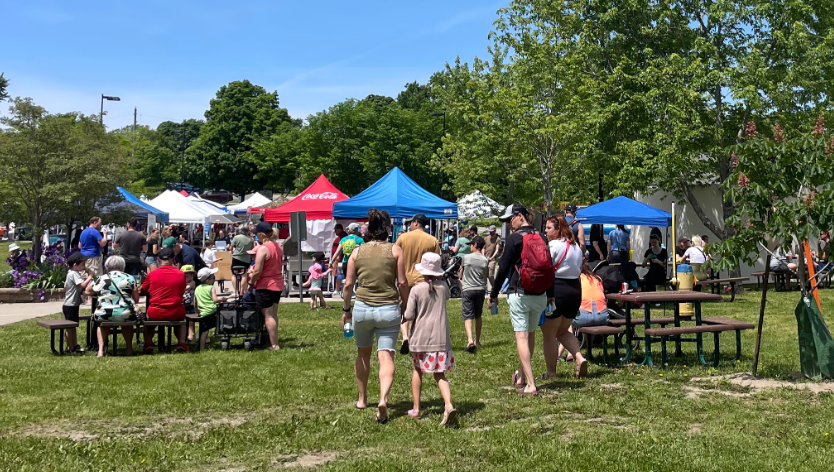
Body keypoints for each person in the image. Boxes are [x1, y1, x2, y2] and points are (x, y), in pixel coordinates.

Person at [341, 209, 409, 423]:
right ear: (388, 229)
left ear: (369, 229)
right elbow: (402, 282)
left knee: (363, 354)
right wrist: (406, 305)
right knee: (386, 356)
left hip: (362, 308)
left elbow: (348, 284)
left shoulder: (357, 252)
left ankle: (362, 399)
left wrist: (346, 310)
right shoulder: (395, 250)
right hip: (388, 309)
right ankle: (383, 399)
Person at [488, 204, 554, 396]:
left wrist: (493, 293)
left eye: (510, 219)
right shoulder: (542, 237)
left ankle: (531, 384)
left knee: (522, 337)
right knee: (530, 335)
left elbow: (503, 268)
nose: (509, 224)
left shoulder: (514, 238)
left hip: (520, 292)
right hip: (540, 294)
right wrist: (550, 293)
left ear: (519, 216)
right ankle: (522, 377)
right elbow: (549, 266)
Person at [403, 252, 457, 426]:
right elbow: (444, 294)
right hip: (441, 338)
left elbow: (409, 314)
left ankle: (416, 408)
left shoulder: (416, 289)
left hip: (420, 338)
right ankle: (448, 405)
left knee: (417, 370)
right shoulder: (444, 288)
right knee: (439, 374)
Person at [542, 216, 588, 379]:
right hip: (575, 290)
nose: (546, 231)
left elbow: (546, 268)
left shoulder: (552, 246)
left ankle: (551, 373)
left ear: (558, 229)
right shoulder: (576, 247)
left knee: (549, 333)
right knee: (562, 331)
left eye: (549, 228)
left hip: (557, 289)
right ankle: (579, 357)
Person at [395, 213, 441, 353]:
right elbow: (437, 262)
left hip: (405, 280)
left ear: (415, 223)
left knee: (404, 309)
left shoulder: (403, 238)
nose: (409, 225)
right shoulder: (432, 240)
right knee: (421, 312)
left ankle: (405, 336)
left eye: (410, 223)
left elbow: (394, 257)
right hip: (423, 281)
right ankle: (418, 338)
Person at [86, 255, 139, 357]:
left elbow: (88, 291)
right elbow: (136, 299)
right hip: (125, 313)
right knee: (127, 324)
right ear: (123, 266)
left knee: (102, 324)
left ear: (107, 266)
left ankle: (101, 350)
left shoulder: (102, 278)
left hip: (104, 313)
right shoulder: (130, 278)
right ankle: (129, 349)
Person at [140, 248, 188, 354]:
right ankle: (181, 342)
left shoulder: (152, 274)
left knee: (148, 323)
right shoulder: (181, 274)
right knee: (181, 323)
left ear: (158, 259)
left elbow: (142, 290)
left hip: (155, 311)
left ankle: (148, 343)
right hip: (176, 311)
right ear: (173, 259)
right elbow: (182, 288)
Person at [249, 221, 285, 351]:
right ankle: (272, 341)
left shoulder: (263, 248)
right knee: (273, 314)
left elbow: (257, 271)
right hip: (278, 283)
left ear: (261, 234)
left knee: (268, 316)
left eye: (256, 234)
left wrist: (251, 283)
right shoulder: (278, 246)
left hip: (266, 285)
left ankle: (274, 345)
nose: (256, 236)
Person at [459, 235, 488, 352]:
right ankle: (477, 341)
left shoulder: (466, 258)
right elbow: (485, 275)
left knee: (468, 315)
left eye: (471, 244)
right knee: (478, 315)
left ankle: (470, 340)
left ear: (475, 245)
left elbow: (461, 274)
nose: (470, 247)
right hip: (480, 289)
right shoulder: (485, 260)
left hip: (468, 289)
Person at [62, 252, 94, 354]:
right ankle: (69, 347)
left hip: (72, 304)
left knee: (73, 326)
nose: (84, 266)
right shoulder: (73, 274)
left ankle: (74, 345)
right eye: (83, 264)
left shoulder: (72, 273)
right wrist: (90, 276)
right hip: (70, 305)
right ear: (75, 265)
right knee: (69, 327)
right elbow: (83, 285)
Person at [190, 267, 226, 340]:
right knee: (224, 319)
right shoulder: (211, 287)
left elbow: (195, 302)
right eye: (212, 276)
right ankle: (224, 335)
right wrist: (223, 299)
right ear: (207, 280)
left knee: (204, 330)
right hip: (213, 311)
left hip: (203, 313)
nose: (214, 278)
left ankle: (202, 344)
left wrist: (197, 312)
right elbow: (215, 300)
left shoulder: (197, 288)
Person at [231, 226, 254, 295]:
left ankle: (235, 291)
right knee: (244, 275)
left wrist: (232, 252)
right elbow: (252, 249)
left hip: (236, 258)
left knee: (234, 274)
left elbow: (231, 247)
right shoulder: (250, 239)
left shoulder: (236, 237)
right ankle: (241, 292)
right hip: (246, 259)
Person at [483, 225, 502, 293]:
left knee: (490, 275)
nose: (491, 233)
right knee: (484, 275)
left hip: (492, 259)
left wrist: (492, 257)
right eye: (490, 232)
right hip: (485, 258)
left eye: (492, 232)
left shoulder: (497, 239)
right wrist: (483, 255)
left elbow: (497, 249)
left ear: (495, 231)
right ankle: (484, 289)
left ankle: (494, 288)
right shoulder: (486, 238)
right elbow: (483, 248)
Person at [331, 224, 348, 295]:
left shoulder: (342, 237)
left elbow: (341, 248)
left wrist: (339, 256)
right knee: (339, 275)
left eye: (336, 230)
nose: (335, 232)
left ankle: (338, 289)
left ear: (339, 229)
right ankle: (338, 289)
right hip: (340, 259)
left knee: (339, 275)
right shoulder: (341, 237)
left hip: (340, 259)